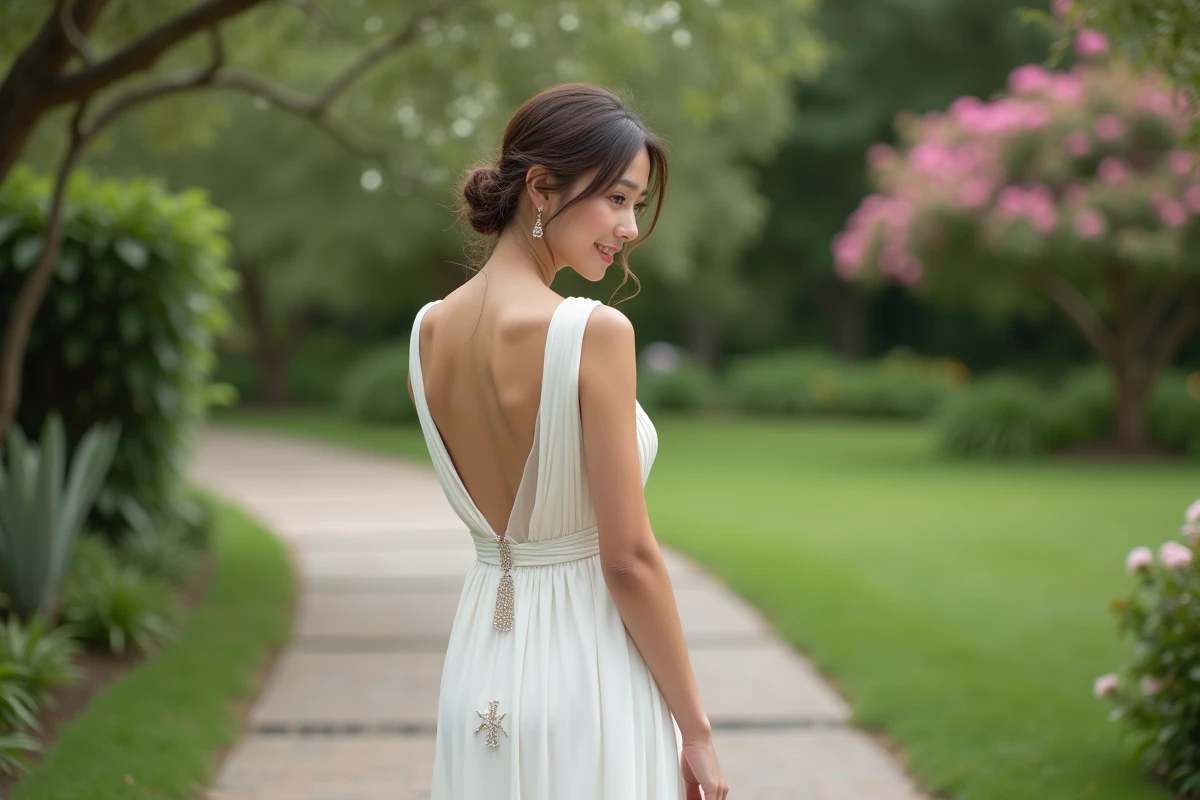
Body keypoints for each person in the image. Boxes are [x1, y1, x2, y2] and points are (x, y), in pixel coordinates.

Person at [407, 82, 728, 800]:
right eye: (616, 198)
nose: (630, 227)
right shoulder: (591, 333)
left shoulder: (428, 333)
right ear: (542, 188)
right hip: (588, 668)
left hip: (478, 672)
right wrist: (696, 729)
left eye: (636, 205)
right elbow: (629, 562)